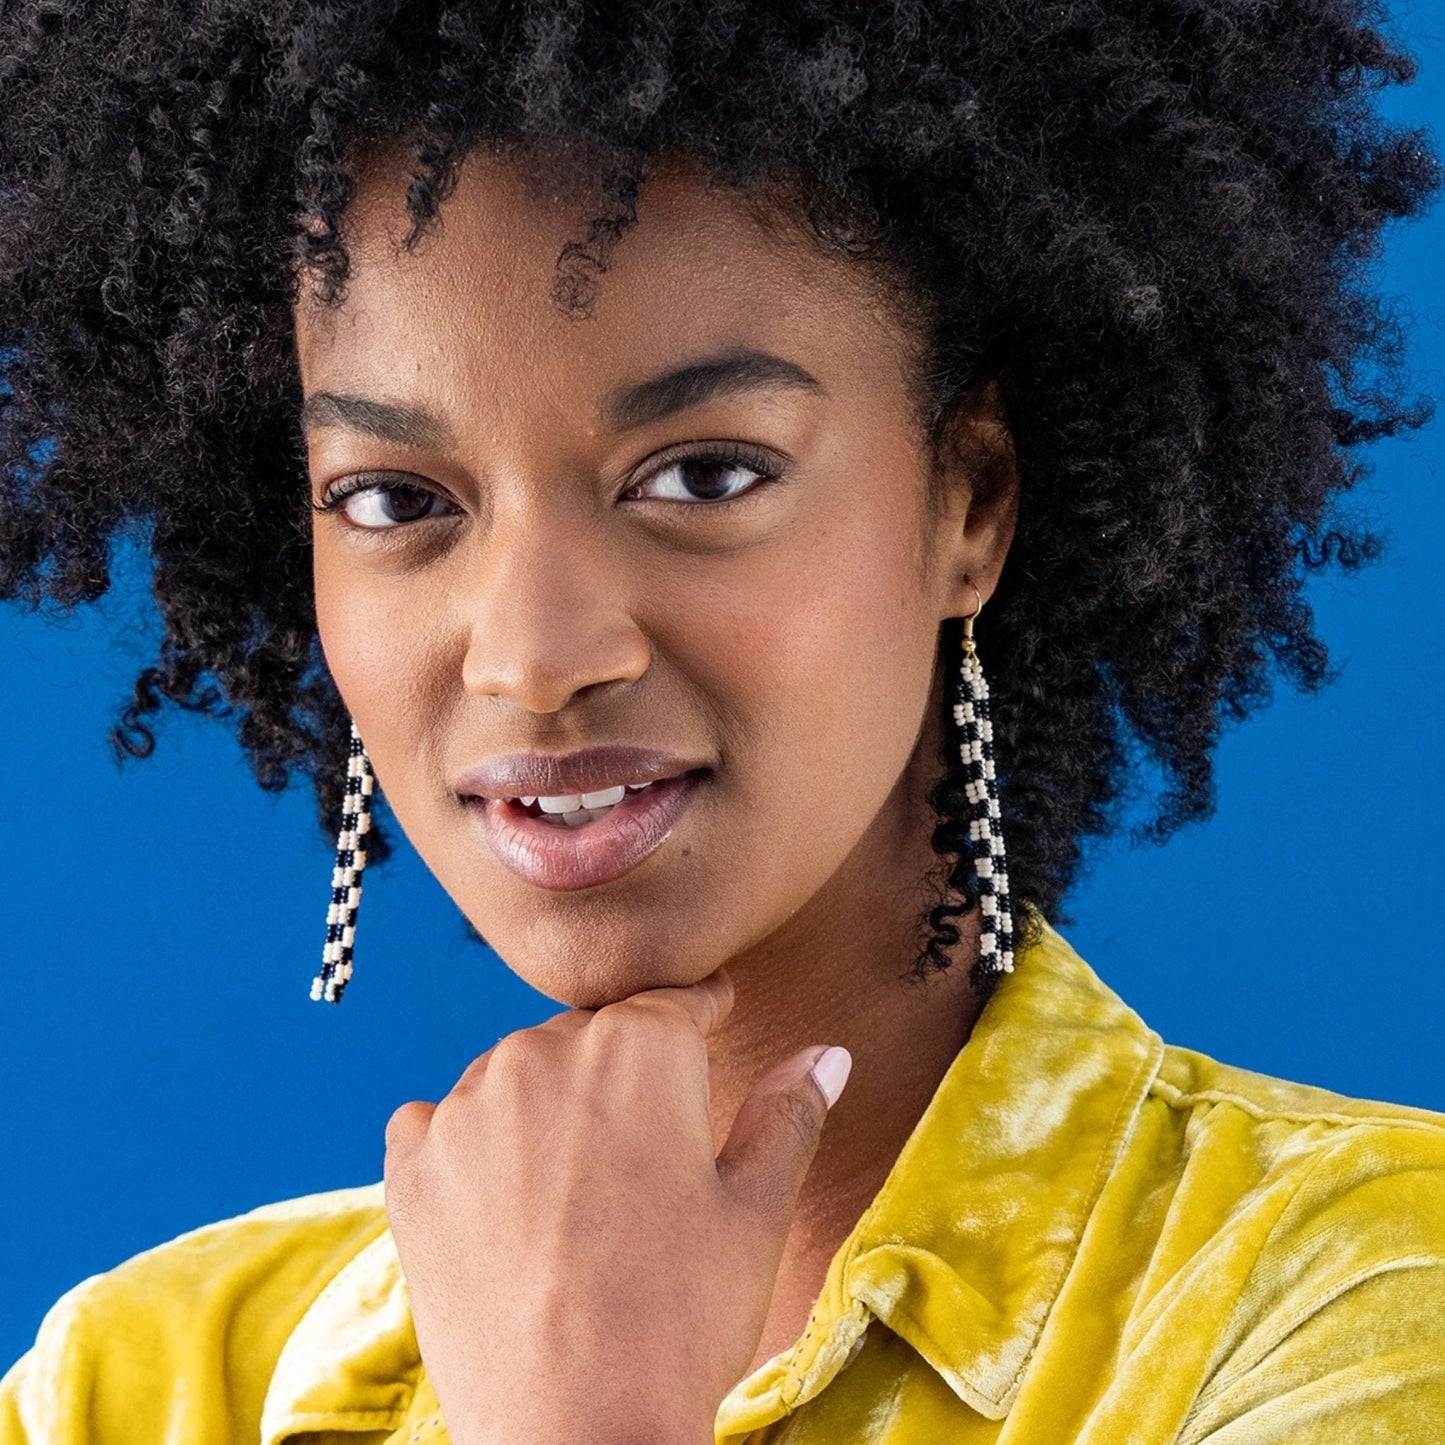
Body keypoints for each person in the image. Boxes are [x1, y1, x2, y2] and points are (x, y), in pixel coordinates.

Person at [2, 1, 1443, 1441]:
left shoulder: (1355, 1289)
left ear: (971, 501)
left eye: (700, 475)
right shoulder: (150, 1379)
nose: (534, 655)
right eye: (393, 499)